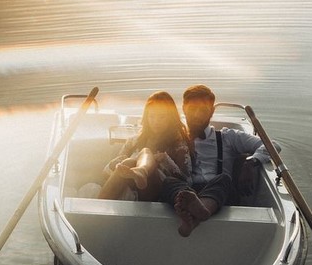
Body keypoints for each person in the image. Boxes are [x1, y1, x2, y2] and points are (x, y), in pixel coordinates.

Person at [161, 84, 279, 236]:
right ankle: (195, 215)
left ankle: (200, 211)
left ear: (212, 111)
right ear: (183, 109)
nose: (197, 115)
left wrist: (251, 162)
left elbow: (272, 145)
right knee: (169, 182)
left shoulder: (227, 137)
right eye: (192, 109)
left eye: (202, 110)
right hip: (186, 191)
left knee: (223, 179)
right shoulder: (173, 138)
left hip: (220, 194)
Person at [98, 91, 192, 202]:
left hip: (156, 193)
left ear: (171, 118)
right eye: (152, 116)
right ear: (146, 117)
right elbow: (106, 173)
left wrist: (166, 161)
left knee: (144, 152)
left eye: (162, 117)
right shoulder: (133, 141)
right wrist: (119, 162)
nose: (156, 121)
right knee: (129, 162)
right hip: (129, 191)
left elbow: (187, 182)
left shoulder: (179, 145)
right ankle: (98, 206)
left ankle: (142, 171)